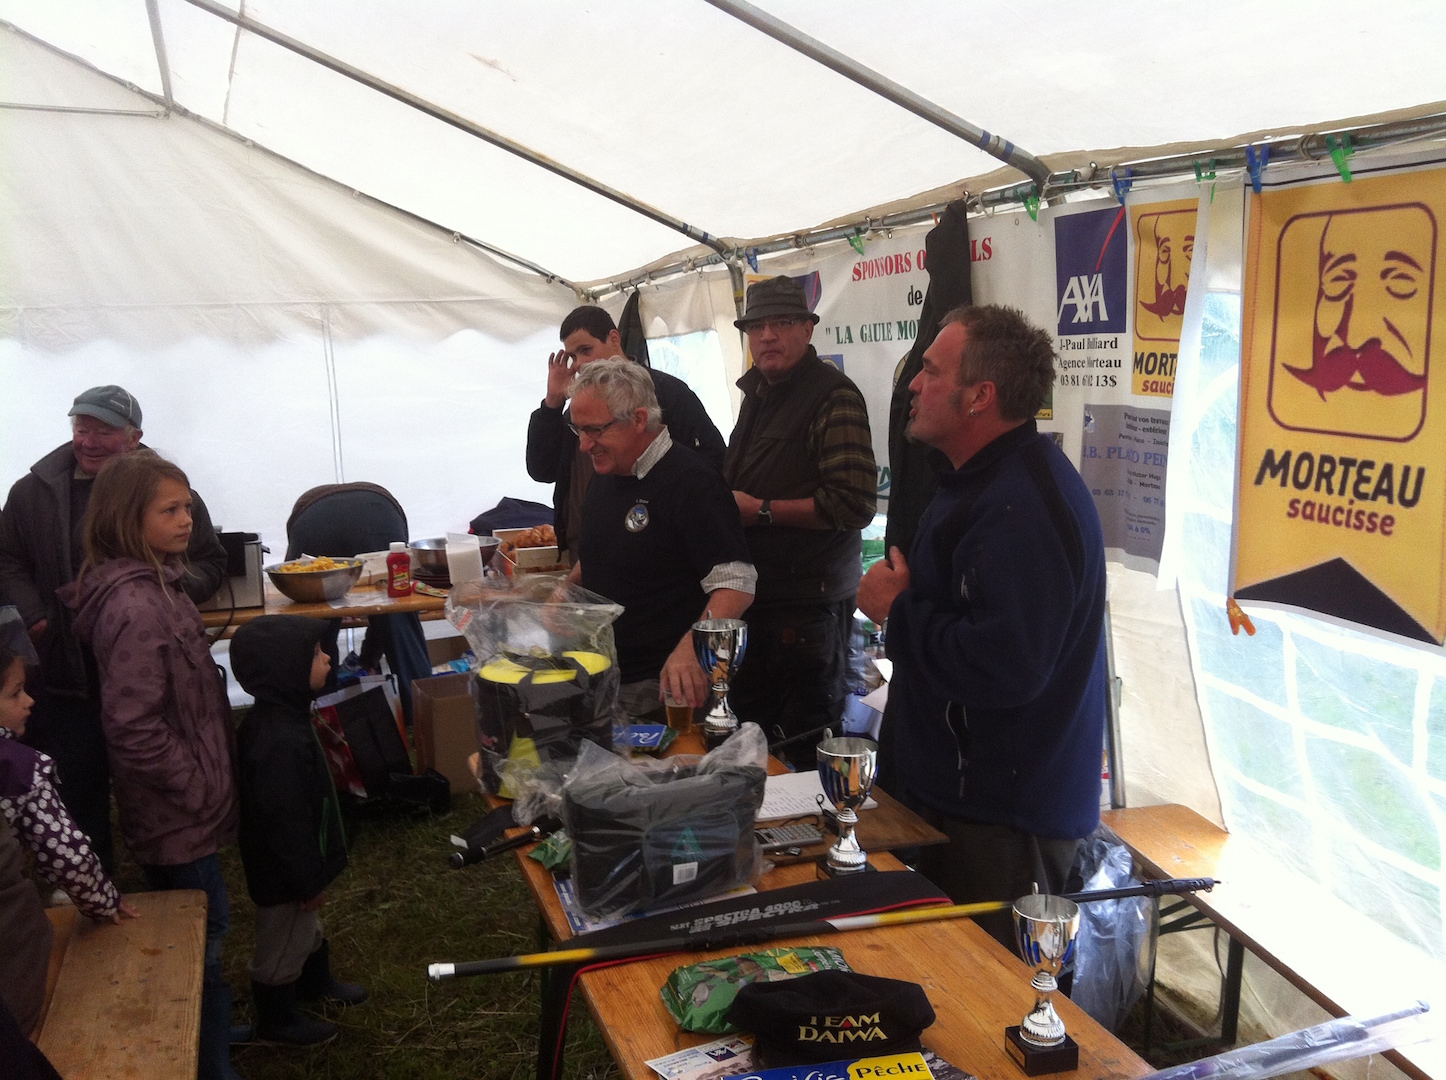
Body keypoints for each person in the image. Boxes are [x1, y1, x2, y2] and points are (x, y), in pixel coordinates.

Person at [856, 305, 1107, 950]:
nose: (914, 384)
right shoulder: (978, 482)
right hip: (955, 796)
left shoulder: (1022, 506)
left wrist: (896, 612)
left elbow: (1006, 667)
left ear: (979, 396)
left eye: (931, 371)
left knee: (989, 996)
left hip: (1002, 819)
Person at [61, 449, 242, 1080]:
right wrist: (196, 787)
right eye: (170, 510)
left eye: (187, 506)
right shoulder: (136, 608)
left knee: (202, 923)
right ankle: (207, 1056)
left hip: (187, 803)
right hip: (175, 810)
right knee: (202, 931)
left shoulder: (162, 585)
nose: (187, 519)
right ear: (125, 519)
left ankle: (212, 1023)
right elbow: (133, 727)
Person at [0, 385, 228, 872]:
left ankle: (169, 862)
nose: (88, 441)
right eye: (81, 429)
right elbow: (7, 558)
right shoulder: (32, 491)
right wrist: (35, 613)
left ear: (134, 437)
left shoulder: (166, 490)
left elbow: (210, 560)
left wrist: (164, 590)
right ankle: (92, 874)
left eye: (103, 432)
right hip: (67, 668)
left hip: (146, 658)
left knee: (149, 761)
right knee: (78, 773)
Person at [723, 277, 877, 764]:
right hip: (759, 602)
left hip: (808, 611)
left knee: (807, 751)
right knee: (752, 746)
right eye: (757, 326)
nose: (767, 335)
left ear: (808, 330)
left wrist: (761, 510)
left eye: (782, 323)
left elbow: (855, 503)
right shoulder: (758, 393)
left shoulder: (833, 396)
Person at [566, 360, 754, 717]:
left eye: (595, 430)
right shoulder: (607, 473)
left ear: (639, 419)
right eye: (579, 430)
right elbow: (604, 550)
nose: (584, 445)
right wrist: (564, 591)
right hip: (606, 673)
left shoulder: (692, 481)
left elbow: (737, 584)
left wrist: (692, 648)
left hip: (665, 687)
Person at [231, 615, 368, 1047]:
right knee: (282, 941)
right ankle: (277, 1019)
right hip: (285, 875)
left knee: (306, 929)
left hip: (295, 867)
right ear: (285, 670)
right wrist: (307, 882)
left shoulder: (285, 718)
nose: (327, 658)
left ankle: (314, 982)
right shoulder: (278, 742)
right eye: (315, 654)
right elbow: (284, 823)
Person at [527, 305, 726, 564]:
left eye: (586, 350)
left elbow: (710, 464)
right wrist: (552, 403)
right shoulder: (577, 408)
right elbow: (542, 470)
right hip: (585, 552)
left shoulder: (665, 393)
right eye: (572, 356)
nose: (578, 364)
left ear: (613, 339)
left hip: (650, 552)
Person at [0, 606, 137, 925]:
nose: (29, 700)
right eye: (16, 693)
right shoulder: (20, 770)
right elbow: (68, 855)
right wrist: (104, 902)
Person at [285, 482, 430, 725]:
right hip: (380, 512)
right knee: (396, 615)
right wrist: (368, 660)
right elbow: (382, 612)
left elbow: (291, 588)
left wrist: (366, 658)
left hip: (314, 521)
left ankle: (319, 716)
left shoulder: (305, 514)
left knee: (311, 623)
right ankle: (425, 718)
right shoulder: (383, 512)